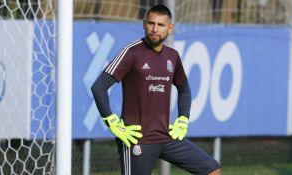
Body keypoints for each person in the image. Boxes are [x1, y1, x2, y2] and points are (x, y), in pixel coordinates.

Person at [91, 4, 221, 175]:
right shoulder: (131, 52)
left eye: (160, 25)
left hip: (166, 137)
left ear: (170, 28)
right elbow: (98, 87)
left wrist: (183, 118)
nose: (154, 29)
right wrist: (112, 122)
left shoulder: (172, 56)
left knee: (212, 169)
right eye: (151, 23)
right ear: (144, 24)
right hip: (137, 139)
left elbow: (184, 89)